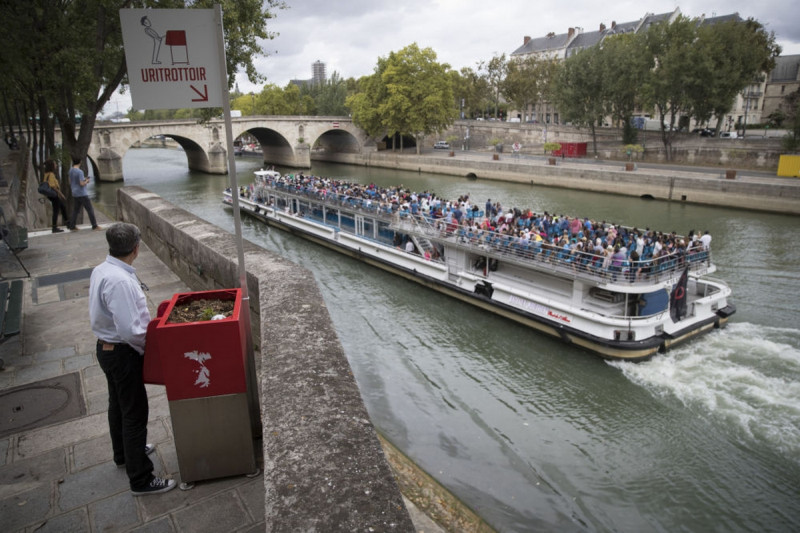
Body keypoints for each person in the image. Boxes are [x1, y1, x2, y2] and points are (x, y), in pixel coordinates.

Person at [89, 223, 176, 496]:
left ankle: (123, 454)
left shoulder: (102, 270)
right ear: (136, 248)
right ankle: (141, 479)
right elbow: (131, 330)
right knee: (135, 414)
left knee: (118, 405)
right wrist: (148, 350)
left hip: (106, 348)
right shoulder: (121, 281)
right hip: (123, 352)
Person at [67, 156, 101, 231]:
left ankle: (72, 226)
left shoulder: (71, 171)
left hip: (75, 193)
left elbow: (70, 181)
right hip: (82, 193)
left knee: (76, 210)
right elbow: (82, 184)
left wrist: (83, 179)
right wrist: (87, 181)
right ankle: (94, 225)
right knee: (90, 209)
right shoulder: (80, 172)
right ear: (80, 162)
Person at [43, 160, 68, 233]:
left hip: (51, 195)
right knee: (56, 210)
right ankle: (54, 227)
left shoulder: (46, 174)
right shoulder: (51, 174)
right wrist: (61, 194)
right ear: (52, 166)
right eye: (55, 164)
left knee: (62, 206)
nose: (56, 165)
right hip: (53, 195)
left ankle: (67, 222)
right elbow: (53, 186)